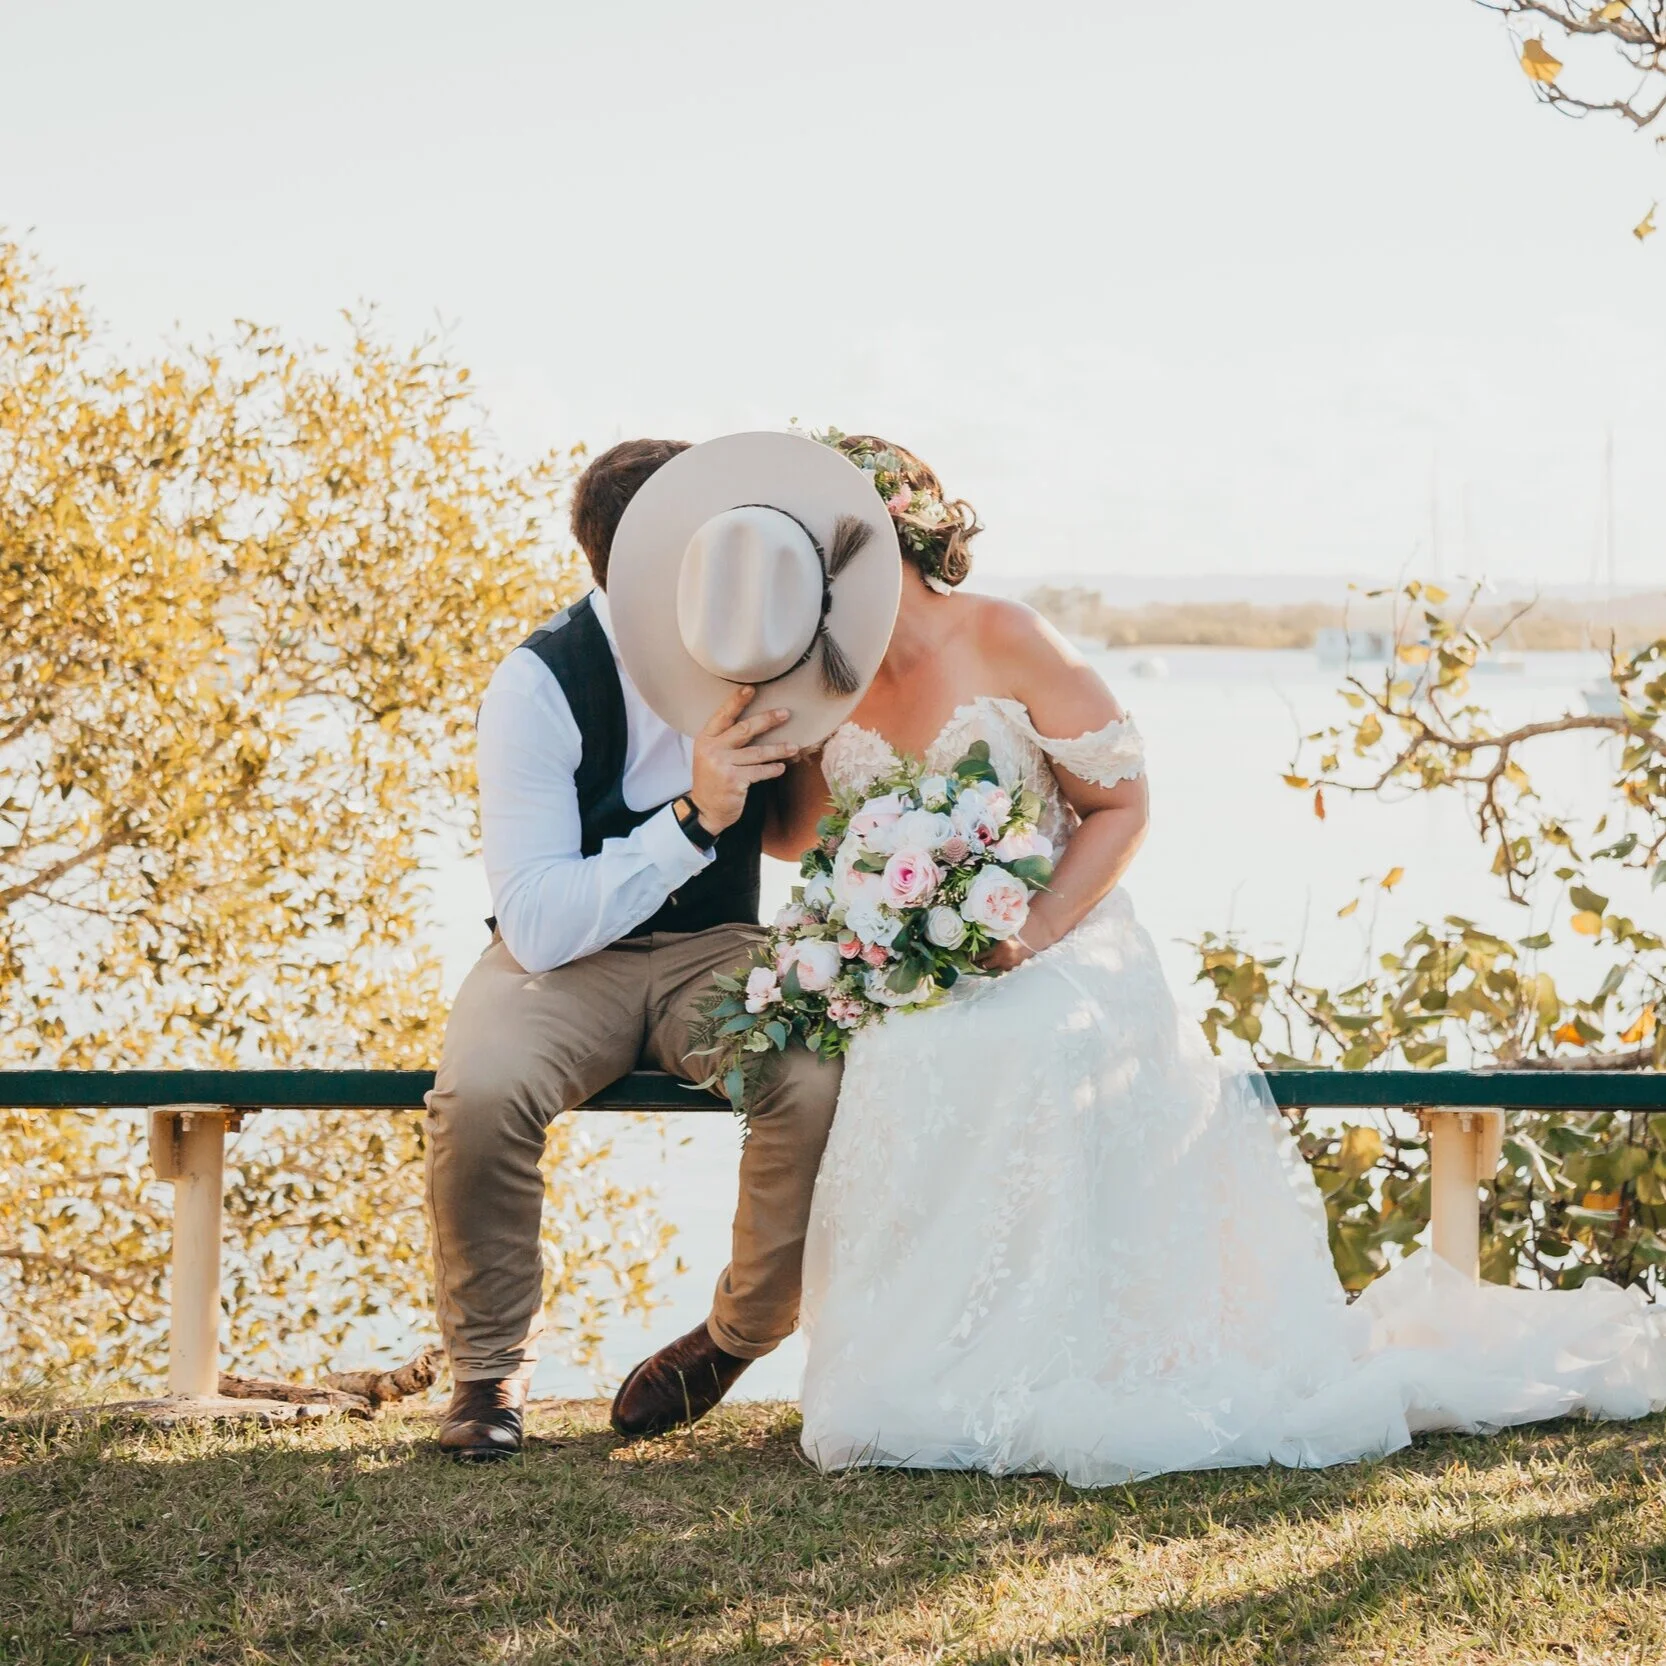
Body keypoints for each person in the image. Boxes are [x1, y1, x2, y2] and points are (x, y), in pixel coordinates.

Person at [779, 432, 1666, 1486]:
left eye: (826, 552)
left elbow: (1123, 803)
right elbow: (798, 836)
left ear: (889, 537)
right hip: (928, 951)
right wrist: (746, 751)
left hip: (1065, 931)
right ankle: (916, 1367)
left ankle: (1048, 1357)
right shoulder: (820, 675)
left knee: (1021, 1040)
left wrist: (1038, 931)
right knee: (899, 1049)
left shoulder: (1006, 636)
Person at [424, 438, 847, 1461]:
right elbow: (535, 919)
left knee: (812, 1072)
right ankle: (488, 1371)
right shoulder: (537, 683)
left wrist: (827, 742)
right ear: (619, 565)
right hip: (563, 961)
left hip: (720, 947)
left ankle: (736, 1337)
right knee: (478, 1095)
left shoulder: (764, 645)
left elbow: (790, 835)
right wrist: (693, 818)